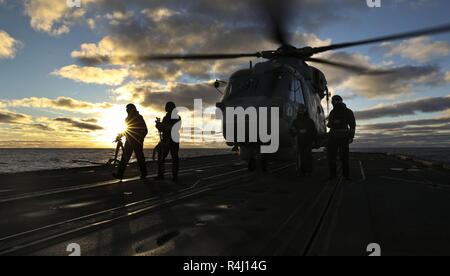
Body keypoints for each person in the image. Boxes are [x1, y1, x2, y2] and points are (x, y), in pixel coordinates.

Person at [113, 104, 148, 180]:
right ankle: (120, 174)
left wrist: (140, 138)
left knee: (140, 157)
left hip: (137, 142)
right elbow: (127, 130)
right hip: (129, 141)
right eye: (126, 109)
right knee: (124, 158)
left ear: (132, 109)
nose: (127, 110)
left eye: (128, 108)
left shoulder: (139, 117)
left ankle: (144, 173)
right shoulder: (127, 119)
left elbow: (145, 130)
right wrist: (120, 136)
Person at [327, 95, 356, 180]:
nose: (333, 102)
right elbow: (330, 124)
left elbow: (352, 125)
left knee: (341, 157)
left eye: (333, 101)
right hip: (337, 137)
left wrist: (351, 136)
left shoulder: (346, 112)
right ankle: (340, 175)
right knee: (336, 157)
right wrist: (351, 136)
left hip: (340, 137)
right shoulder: (335, 112)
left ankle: (342, 175)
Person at [155, 102, 181, 182]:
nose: (165, 108)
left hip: (172, 139)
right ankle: (161, 174)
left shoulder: (176, 117)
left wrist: (161, 126)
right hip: (166, 139)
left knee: (174, 158)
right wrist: (159, 125)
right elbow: (164, 128)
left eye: (167, 106)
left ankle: (174, 176)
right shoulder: (166, 117)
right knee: (161, 157)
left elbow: (173, 128)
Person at [290, 104, 317, 176]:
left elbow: (314, 132)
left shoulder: (309, 121)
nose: (301, 111)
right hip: (299, 141)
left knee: (307, 156)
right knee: (300, 157)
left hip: (308, 141)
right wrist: (293, 131)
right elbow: (291, 131)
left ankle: (308, 171)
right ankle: (302, 171)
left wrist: (313, 140)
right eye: (300, 109)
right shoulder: (295, 121)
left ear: (305, 110)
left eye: (302, 109)